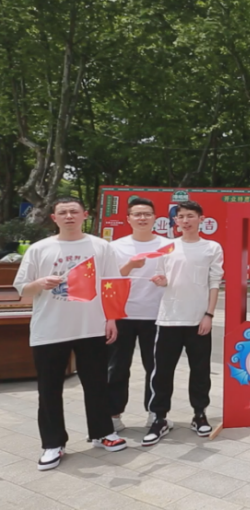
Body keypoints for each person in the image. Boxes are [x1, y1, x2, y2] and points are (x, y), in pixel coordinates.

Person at [14, 197, 128, 470]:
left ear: (84, 215)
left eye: (74, 211)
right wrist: (40, 283)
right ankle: (53, 443)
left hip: (91, 327)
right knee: (49, 389)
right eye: (62, 212)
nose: (68, 216)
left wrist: (112, 318)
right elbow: (22, 288)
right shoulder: (40, 249)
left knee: (96, 383)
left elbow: (112, 284)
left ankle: (102, 432)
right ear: (54, 218)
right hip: (50, 329)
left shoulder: (100, 246)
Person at [143, 201, 223, 446]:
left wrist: (209, 315)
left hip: (198, 320)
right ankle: (159, 418)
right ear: (175, 221)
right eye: (181, 217)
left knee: (200, 370)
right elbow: (164, 278)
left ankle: (199, 414)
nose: (186, 221)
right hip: (169, 318)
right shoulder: (167, 247)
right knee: (162, 372)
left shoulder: (212, 247)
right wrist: (161, 281)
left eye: (190, 216)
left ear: (201, 219)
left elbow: (214, 283)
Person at [108, 198, 171, 432]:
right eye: (137, 214)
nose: (142, 218)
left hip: (157, 315)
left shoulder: (168, 246)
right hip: (122, 315)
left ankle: (155, 413)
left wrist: (166, 280)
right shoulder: (116, 247)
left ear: (155, 218)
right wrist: (129, 266)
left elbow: (177, 276)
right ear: (128, 219)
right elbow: (108, 280)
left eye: (147, 214)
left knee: (156, 367)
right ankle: (113, 415)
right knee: (116, 367)